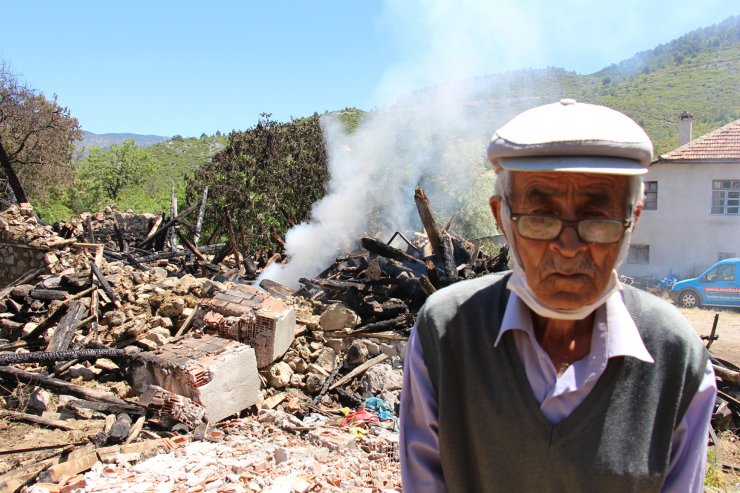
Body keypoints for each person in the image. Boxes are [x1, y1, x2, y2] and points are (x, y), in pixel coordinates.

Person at [400, 99, 716, 492]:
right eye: (539, 218)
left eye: (597, 218)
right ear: (502, 217)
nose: (568, 246)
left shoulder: (676, 356)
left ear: (632, 218)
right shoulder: (445, 332)